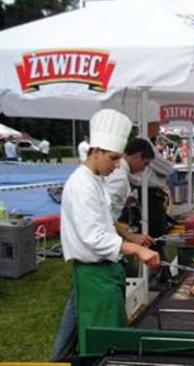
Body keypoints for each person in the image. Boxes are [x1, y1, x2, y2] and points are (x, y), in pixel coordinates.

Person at [58, 109, 160, 356]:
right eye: (113, 159)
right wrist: (136, 248)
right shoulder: (82, 186)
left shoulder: (95, 180)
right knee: (104, 345)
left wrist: (131, 238)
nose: (116, 166)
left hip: (104, 272)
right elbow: (94, 237)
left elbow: (106, 222)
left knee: (102, 335)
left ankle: (58, 359)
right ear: (96, 151)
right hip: (95, 274)